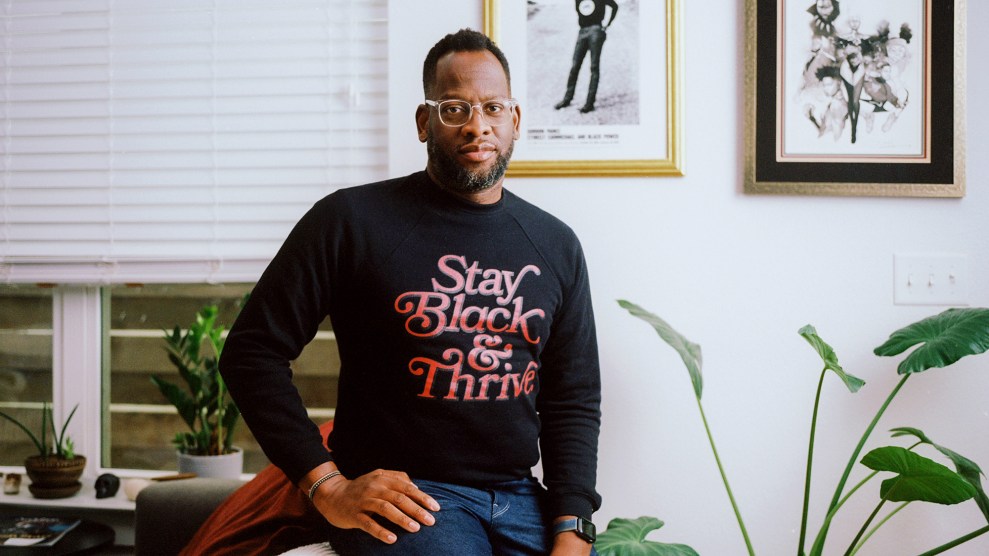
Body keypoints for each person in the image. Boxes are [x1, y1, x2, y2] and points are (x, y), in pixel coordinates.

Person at [219, 28, 602, 556]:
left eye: (493, 107)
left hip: (519, 498)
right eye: (454, 109)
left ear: (515, 121)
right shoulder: (351, 220)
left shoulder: (555, 245)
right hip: (408, 496)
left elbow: (573, 398)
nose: (477, 126)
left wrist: (573, 526)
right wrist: (326, 486)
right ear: (424, 123)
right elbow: (252, 351)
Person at [554, 0, 619, 114]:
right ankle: (567, 99)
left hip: (596, 30)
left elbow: (615, 6)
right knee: (574, 66)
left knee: (594, 67)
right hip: (582, 31)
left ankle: (589, 103)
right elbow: (581, 12)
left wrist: (607, 25)